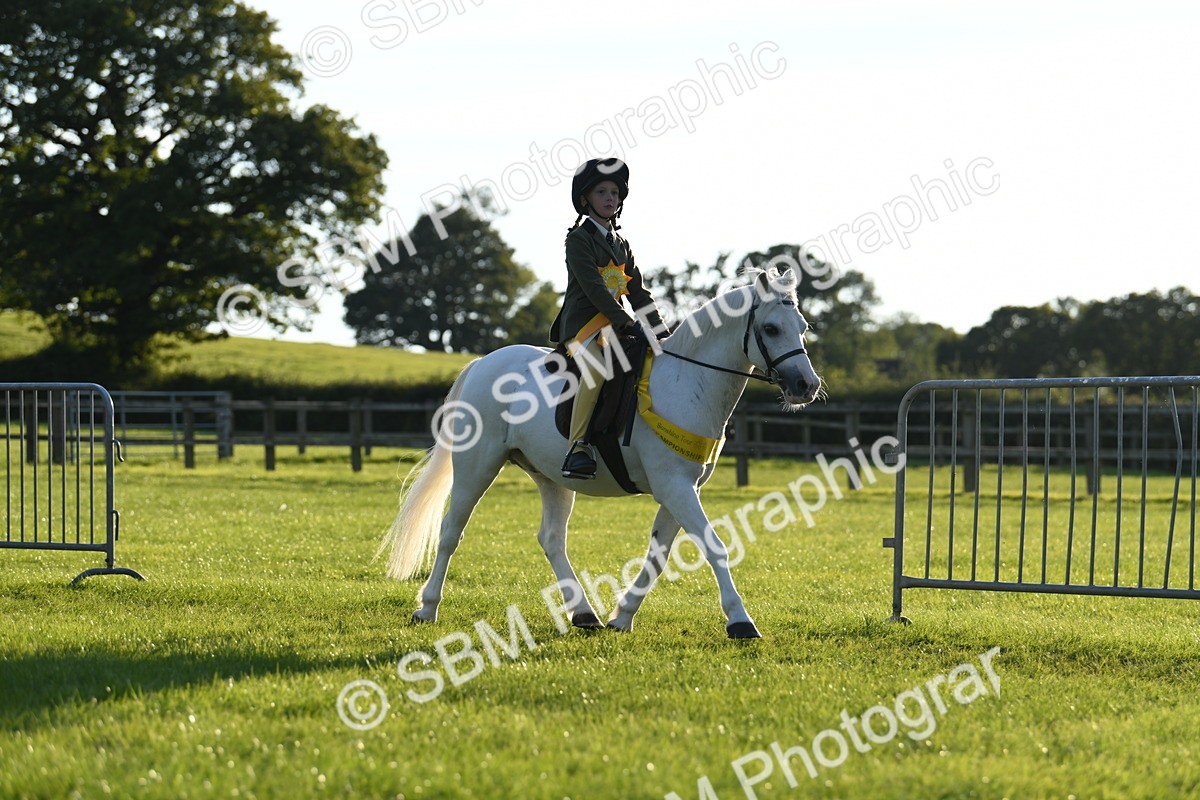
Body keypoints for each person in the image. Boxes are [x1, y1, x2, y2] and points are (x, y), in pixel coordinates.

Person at [548, 157, 666, 479]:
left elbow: (638, 292)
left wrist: (659, 329)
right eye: (602, 192)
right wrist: (627, 322)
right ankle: (579, 446)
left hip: (615, 327)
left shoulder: (622, 244)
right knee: (598, 368)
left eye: (614, 192)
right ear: (586, 199)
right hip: (583, 328)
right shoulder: (578, 240)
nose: (610, 198)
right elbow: (595, 291)